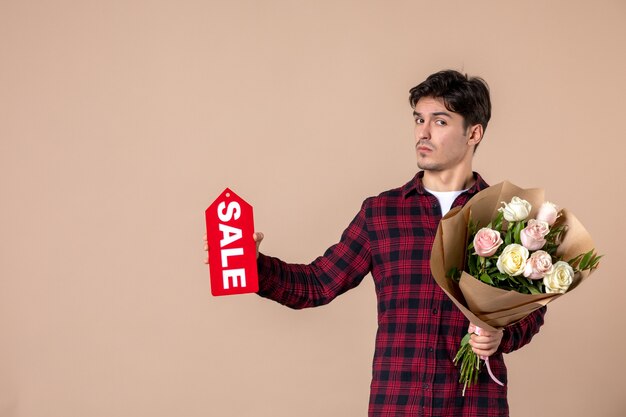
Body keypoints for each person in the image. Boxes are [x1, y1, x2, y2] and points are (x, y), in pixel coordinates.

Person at [205, 70, 546, 417]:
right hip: (398, 405)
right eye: (419, 119)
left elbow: (530, 309)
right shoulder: (381, 213)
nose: (423, 133)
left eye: (440, 121)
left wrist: (502, 337)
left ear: (473, 133)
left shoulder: (507, 218)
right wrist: (250, 262)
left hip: (475, 406)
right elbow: (317, 283)